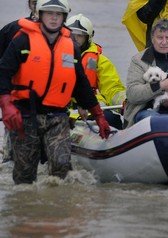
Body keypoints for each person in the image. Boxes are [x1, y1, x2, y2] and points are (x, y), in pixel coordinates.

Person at [0, 0, 111, 184]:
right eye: (49, 13)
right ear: (40, 14)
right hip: (25, 117)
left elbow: (81, 83)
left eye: (58, 14)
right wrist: (6, 104)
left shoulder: (70, 45)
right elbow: (3, 72)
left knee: (61, 167)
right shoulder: (21, 39)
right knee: (24, 176)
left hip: (57, 117)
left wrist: (98, 114)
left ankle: (58, 207)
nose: (53, 17)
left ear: (64, 17)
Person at [66, 14, 127, 130]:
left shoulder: (99, 61)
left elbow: (112, 88)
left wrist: (124, 101)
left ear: (88, 37)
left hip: (93, 110)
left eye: (80, 36)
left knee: (113, 119)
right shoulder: (57, 57)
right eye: (72, 36)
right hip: (66, 111)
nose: (75, 39)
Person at [0, 0, 38, 163]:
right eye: (36, 2)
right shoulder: (11, 30)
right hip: (17, 103)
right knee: (12, 159)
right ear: (30, 5)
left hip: (50, 104)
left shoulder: (63, 35)